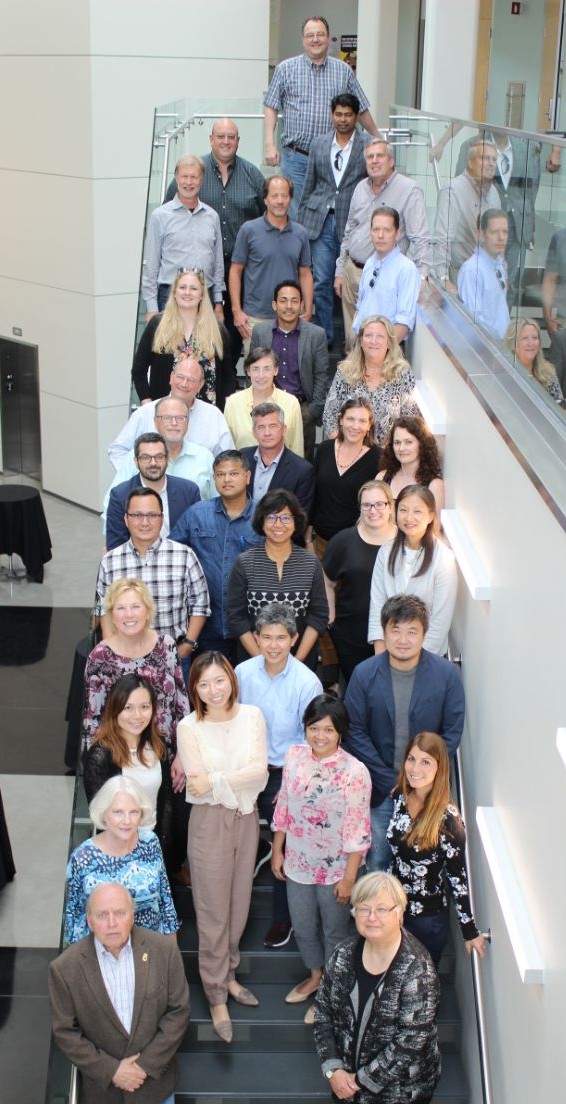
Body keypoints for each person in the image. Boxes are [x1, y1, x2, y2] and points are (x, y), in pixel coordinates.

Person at [176, 652, 268, 1043]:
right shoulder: (188, 726)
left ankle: (228, 974)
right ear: (194, 688)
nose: (214, 690)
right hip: (210, 822)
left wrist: (216, 780)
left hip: (246, 819)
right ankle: (215, 994)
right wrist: (229, 780)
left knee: (239, 902)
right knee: (212, 911)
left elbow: (260, 774)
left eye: (219, 680)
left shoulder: (252, 717)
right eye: (204, 683)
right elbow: (194, 783)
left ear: (231, 678)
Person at [344, 595, 465, 871]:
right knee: (377, 860)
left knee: (427, 864)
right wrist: (393, 780)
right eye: (395, 630)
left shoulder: (447, 676)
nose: (403, 639)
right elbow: (355, 732)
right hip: (381, 788)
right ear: (383, 632)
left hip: (428, 792)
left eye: (412, 631)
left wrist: (419, 778)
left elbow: (452, 733)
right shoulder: (364, 674)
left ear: (424, 633)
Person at [272, 693, 371, 1024]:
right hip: (298, 862)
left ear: (340, 731)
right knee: (302, 927)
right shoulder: (295, 757)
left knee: (334, 932)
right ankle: (315, 975)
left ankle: (330, 989)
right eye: (314, 728)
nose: (320, 736)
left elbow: (358, 829)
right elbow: (284, 803)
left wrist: (349, 878)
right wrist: (277, 848)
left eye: (328, 730)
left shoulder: (354, 771)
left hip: (336, 870)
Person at [83, 577, 190, 880]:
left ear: (148, 610)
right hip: (119, 758)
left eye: (135, 607)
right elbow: (93, 719)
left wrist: (182, 753)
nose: (129, 615)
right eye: (121, 608)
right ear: (111, 614)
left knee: (170, 824)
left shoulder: (167, 646)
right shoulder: (100, 657)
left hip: (164, 754)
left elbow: (181, 702)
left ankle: (164, 879)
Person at [49, 882, 189, 1104]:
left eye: (120, 913)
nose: (112, 923)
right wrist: (112, 1070)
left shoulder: (164, 951)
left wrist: (144, 1066)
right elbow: (66, 1033)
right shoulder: (65, 968)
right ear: (89, 920)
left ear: (132, 916)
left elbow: (178, 1012)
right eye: (102, 915)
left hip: (155, 1087)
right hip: (102, 1093)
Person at [236, 602, 322, 949]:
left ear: (294, 639)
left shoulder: (307, 682)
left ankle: (281, 917)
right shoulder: (241, 673)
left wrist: (289, 786)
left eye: (281, 638)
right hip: (247, 769)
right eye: (266, 637)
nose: (273, 645)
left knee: (288, 842)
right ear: (256, 638)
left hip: (288, 773)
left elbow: (311, 741)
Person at [313, 871, 441, 1104]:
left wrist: (358, 1081)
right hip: (345, 1085)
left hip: (401, 1093)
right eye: (363, 908)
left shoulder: (417, 967)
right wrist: (333, 1069)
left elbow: (411, 1040)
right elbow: (323, 1013)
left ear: (399, 914)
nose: (371, 917)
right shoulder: (343, 954)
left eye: (382, 909)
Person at [166, 118, 265, 365]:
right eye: (220, 136)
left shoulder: (252, 174)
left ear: (238, 142)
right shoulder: (195, 172)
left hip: (242, 270)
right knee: (195, 333)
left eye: (231, 137)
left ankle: (226, 384)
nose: (225, 141)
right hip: (202, 273)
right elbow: (171, 208)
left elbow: (268, 215)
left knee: (230, 334)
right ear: (211, 139)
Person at [388, 732, 487, 967]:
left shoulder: (449, 820)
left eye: (426, 762)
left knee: (421, 988)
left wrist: (469, 930)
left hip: (426, 920)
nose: (415, 768)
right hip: (394, 911)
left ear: (440, 768)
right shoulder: (401, 795)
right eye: (411, 759)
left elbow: (457, 877)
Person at [263, 15, 378, 215]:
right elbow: (271, 106)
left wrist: (377, 138)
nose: (315, 39)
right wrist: (269, 144)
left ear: (328, 38)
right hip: (297, 157)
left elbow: (361, 108)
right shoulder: (285, 69)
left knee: (329, 213)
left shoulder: (343, 71)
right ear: (303, 40)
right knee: (297, 214)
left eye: (320, 35)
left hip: (333, 157)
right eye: (310, 35)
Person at [94, 488, 211, 682]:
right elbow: (105, 610)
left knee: (176, 712)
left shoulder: (184, 555)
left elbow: (200, 604)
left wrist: (188, 645)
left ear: (162, 518)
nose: (145, 522)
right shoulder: (110, 561)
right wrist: (111, 649)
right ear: (126, 519)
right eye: (137, 515)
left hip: (173, 656)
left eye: (152, 515)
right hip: (125, 658)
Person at [169, 450, 263, 660]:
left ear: (247, 477)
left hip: (252, 624)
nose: (227, 479)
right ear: (214, 479)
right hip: (207, 625)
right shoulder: (197, 514)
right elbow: (171, 553)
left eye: (233, 474)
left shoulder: (263, 516)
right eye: (220, 474)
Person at [64, 777, 179, 944]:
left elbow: (166, 904)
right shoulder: (82, 858)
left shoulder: (150, 842)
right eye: (118, 812)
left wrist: (171, 958)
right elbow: (74, 922)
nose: (127, 821)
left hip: (149, 952)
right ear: (104, 814)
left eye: (134, 812)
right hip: (102, 957)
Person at [336, 140, 432, 342]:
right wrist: (340, 269)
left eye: (380, 156)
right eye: (370, 157)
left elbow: (420, 238)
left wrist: (422, 277)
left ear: (391, 161)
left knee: (378, 342)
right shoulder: (361, 188)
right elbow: (349, 230)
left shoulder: (409, 190)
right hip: (353, 271)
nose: (374, 161)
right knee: (352, 340)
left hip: (387, 278)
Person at [227, 488, 328, 670]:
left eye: (286, 517)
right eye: (271, 517)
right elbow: (236, 618)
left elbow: (318, 616)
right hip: (253, 661)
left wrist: (296, 662)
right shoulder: (244, 562)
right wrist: (263, 661)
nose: (278, 524)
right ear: (261, 521)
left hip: (301, 661)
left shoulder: (311, 563)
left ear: (296, 522)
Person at [296, 93, 368, 346]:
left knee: (354, 280)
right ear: (332, 114)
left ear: (356, 116)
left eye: (348, 115)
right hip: (321, 220)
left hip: (354, 222)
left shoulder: (367, 145)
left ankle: (354, 340)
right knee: (322, 280)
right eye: (338, 114)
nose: (343, 119)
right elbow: (309, 185)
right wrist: (302, 222)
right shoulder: (319, 143)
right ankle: (325, 337)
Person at [83, 674, 173, 860]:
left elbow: (166, 801)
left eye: (144, 707)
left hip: (153, 846)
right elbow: (101, 816)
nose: (137, 716)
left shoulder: (159, 746)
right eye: (128, 708)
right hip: (116, 852)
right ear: (115, 710)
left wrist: (161, 847)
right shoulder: (101, 755)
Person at [368, 485, 457, 657]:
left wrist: (413, 664)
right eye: (403, 510)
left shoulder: (444, 558)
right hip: (389, 654)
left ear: (431, 516)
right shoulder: (385, 552)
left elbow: (440, 621)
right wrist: (381, 658)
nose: (409, 517)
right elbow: (376, 607)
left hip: (428, 659)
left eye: (417, 511)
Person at [323, 480, 397, 683]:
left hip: (396, 633)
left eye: (380, 504)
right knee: (359, 687)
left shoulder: (404, 541)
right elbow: (327, 580)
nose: (373, 510)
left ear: (390, 506)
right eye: (367, 505)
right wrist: (331, 617)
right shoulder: (343, 541)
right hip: (351, 634)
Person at [229, 175, 313, 352]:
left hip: (290, 316)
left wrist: (307, 309)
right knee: (258, 374)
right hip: (256, 318)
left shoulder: (301, 233)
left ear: (290, 199)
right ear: (265, 199)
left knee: (290, 375)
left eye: (284, 196)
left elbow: (305, 273)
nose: (280, 201)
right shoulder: (249, 230)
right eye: (275, 196)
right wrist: (237, 311)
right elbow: (235, 271)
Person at [132, 267, 235, 408]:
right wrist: (147, 402)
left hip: (206, 416)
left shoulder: (217, 330)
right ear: (174, 292)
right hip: (167, 415)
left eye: (193, 288)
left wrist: (228, 409)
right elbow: (139, 370)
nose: (187, 292)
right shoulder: (157, 325)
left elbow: (228, 376)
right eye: (182, 287)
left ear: (202, 295)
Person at [250, 281, 329, 460]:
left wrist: (312, 411)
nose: (289, 306)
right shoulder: (261, 332)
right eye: (283, 300)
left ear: (302, 304)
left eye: (294, 301)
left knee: (302, 463)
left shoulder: (316, 335)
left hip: (301, 410)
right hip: (267, 406)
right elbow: (253, 369)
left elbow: (321, 375)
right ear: (274, 304)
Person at [108, 358, 233, 469]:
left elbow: (228, 458)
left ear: (201, 385)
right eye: (180, 377)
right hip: (151, 491)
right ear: (171, 378)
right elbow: (118, 450)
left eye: (191, 380)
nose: (184, 384)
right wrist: (137, 477)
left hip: (199, 493)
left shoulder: (213, 416)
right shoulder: (145, 413)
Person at [142, 154, 224, 317]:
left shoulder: (212, 216)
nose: (188, 182)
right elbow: (151, 266)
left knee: (203, 343)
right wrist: (151, 308)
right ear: (176, 178)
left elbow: (218, 265)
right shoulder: (160, 216)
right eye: (184, 176)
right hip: (169, 296)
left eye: (194, 177)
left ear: (202, 180)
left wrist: (218, 302)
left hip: (205, 296)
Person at [323, 316, 418, 446]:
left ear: (389, 343)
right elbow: (329, 417)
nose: (373, 341)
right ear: (361, 341)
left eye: (380, 336)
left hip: (388, 456)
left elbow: (410, 421)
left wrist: (388, 455)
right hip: (349, 453)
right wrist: (344, 450)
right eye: (368, 335)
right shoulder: (345, 371)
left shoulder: (402, 374)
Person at [106, 395, 216, 502]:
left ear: (188, 422)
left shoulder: (204, 457)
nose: (174, 423)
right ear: (155, 422)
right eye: (167, 418)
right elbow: (112, 501)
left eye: (180, 418)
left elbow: (218, 502)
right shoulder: (137, 456)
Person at [105, 432, 201, 551]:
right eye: (146, 458)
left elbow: (196, 540)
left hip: (179, 561)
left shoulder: (189, 491)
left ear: (167, 459)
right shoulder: (120, 496)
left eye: (159, 457)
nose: (153, 463)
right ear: (136, 462)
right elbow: (116, 545)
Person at [434, 140, 501, 285]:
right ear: (470, 163)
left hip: (488, 275)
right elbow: (442, 239)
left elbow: (499, 237)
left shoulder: (494, 192)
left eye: (494, 159)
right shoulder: (453, 191)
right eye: (484, 158)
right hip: (459, 274)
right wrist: (443, 279)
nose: (490, 163)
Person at [353, 207, 421, 340]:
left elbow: (403, 322)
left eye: (387, 230)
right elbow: (360, 308)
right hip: (362, 346)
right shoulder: (369, 264)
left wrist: (382, 353)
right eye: (376, 229)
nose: (380, 235)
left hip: (387, 351)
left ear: (397, 234)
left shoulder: (406, 269)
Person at [224, 347, 304, 455]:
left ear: (276, 370)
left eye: (267, 369)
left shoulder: (291, 403)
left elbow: (296, 447)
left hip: (282, 469)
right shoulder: (233, 403)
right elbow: (227, 447)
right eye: (255, 369)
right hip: (243, 469)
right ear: (248, 371)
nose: (261, 375)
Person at [241, 402, 315, 517]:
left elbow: (300, 518)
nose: (267, 433)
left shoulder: (302, 470)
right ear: (254, 432)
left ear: (284, 429)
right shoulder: (242, 458)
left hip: (280, 533)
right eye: (261, 427)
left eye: (273, 426)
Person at [457, 209, 510, 340]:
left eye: (505, 232)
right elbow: (474, 322)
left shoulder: (500, 265)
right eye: (494, 232)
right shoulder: (472, 270)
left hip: (503, 347)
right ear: (481, 234)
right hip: (486, 349)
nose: (501, 237)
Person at [377, 415, 444, 512]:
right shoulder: (382, 477)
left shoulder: (435, 485)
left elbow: (436, 526)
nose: (401, 448)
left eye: (408, 442)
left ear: (422, 444)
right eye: (397, 442)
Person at [504, 317, 564, 404]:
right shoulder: (502, 373)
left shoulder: (549, 374)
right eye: (525, 338)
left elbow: (559, 408)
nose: (531, 343)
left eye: (535, 338)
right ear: (513, 343)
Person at [542, 227, 566, 390]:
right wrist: (547, 317)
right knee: (557, 383)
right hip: (564, 322)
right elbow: (550, 278)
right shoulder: (560, 238)